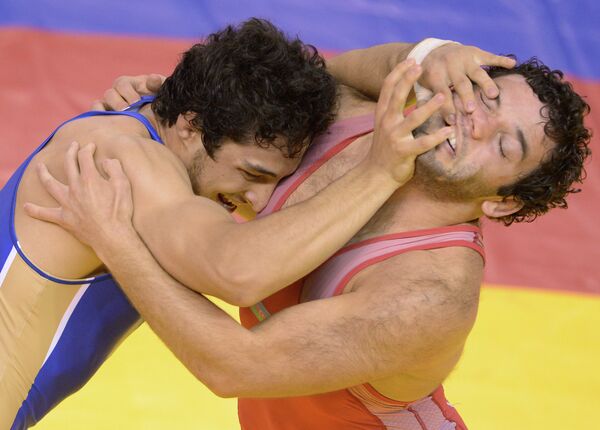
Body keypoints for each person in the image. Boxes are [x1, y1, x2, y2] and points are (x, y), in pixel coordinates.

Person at [27, 36, 592, 429]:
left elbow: (233, 365)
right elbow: (287, 81)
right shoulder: (355, 118)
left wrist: (117, 239)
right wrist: (163, 110)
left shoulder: (429, 293)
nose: (475, 122)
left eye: (504, 144)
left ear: (504, 201)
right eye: (484, 98)